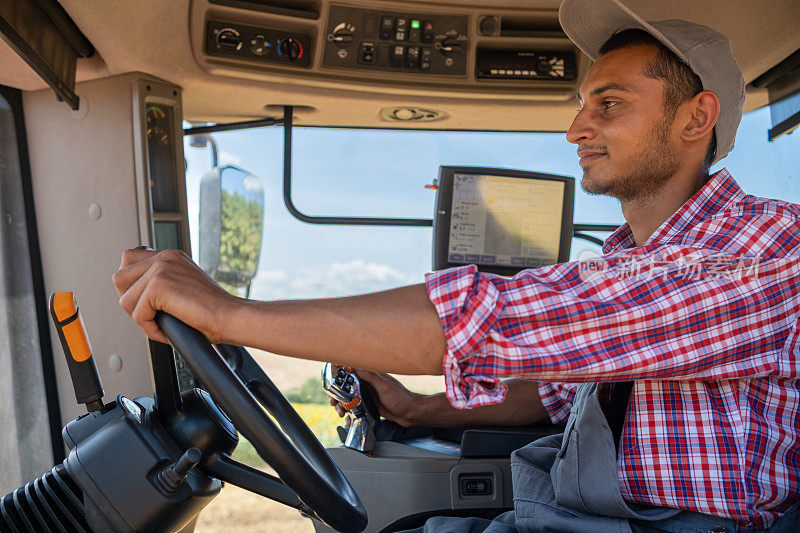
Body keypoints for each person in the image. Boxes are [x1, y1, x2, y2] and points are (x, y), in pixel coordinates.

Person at [113, 0, 800, 530]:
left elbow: (494, 322)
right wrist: (416, 406)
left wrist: (230, 315)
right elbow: (551, 389)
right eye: (580, 104)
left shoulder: (765, 250)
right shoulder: (628, 262)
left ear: (695, 117)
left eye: (608, 104)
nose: (575, 129)